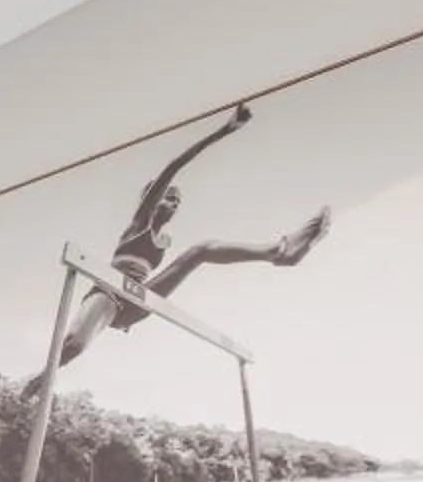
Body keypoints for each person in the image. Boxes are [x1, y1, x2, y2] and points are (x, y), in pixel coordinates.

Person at [38, 101, 332, 385]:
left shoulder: (164, 241)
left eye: (178, 202)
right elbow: (174, 166)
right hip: (109, 293)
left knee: (199, 252)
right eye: (168, 198)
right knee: (74, 347)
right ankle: (41, 379)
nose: (174, 204)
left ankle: (280, 252)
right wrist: (224, 131)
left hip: (137, 299)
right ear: (150, 200)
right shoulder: (140, 224)